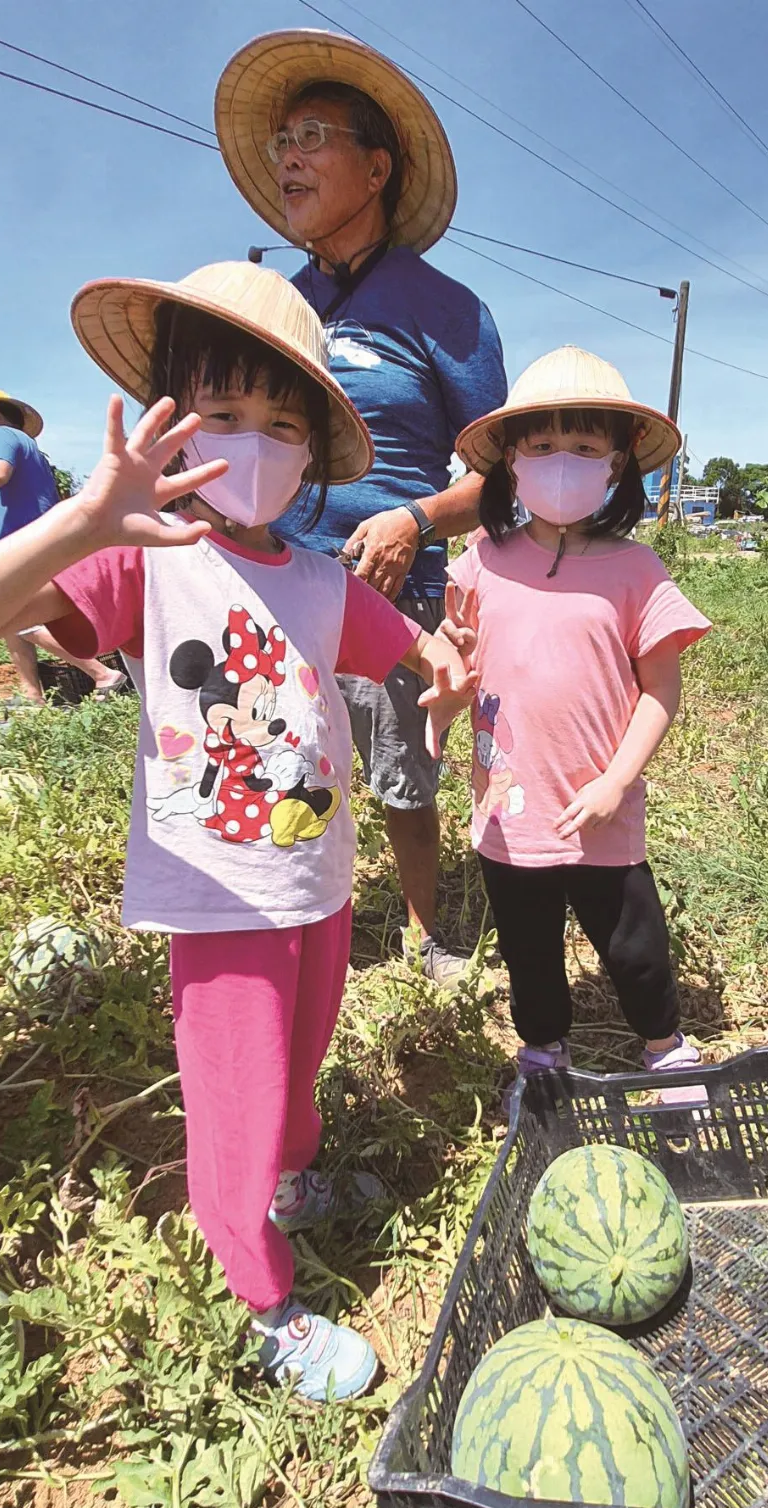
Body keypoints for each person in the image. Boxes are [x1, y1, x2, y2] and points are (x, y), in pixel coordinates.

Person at [0, 261, 475, 1401]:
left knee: (301, 1058)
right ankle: (263, 1299)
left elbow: (408, 647)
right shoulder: (144, 561)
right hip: (217, 893)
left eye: (282, 425)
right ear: (171, 423)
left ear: (313, 454)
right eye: (222, 414)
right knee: (237, 1091)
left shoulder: (320, 579)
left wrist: (447, 663)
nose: (252, 446)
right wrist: (81, 521)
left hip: (317, 874)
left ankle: (290, 1179)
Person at [216, 31, 507, 983]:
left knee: (400, 775)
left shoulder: (447, 311)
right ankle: (287, 914)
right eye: (281, 143)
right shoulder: (278, 307)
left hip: (393, 591)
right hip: (274, 579)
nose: (289, 159)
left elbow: (500, 479)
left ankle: (424, 932)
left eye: (314, 137)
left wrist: (413, 520)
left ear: (377, 168)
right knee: (274, 752)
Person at [442, 347, 711, 1103]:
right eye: (542, 444)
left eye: (586, 448)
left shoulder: (637, 571)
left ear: (618, 463)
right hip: (510, 808)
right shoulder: (479, 563)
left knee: (634, 943)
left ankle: (665, 1047)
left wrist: (616, 782)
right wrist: (446, 677)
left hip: (601, 809)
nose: (563, 461)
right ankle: (543, 1051)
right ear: (511, 459)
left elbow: (660, 691)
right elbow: (458, 663)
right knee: (527, 947)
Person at [0, 388, 125, 707]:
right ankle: (32, 695)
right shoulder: (29, 448)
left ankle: (102, 674)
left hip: (20, 545)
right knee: (15, 622)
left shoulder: (2, 434)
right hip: (29, 543)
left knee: (7, 616)